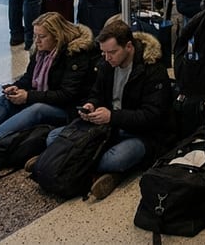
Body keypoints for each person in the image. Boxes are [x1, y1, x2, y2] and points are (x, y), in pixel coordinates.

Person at [0, 12, 97, 172]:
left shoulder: (75, 55)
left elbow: (67, 95)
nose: (37, 41)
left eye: (42, 36)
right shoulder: (40, 52)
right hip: (44, 97)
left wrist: (28, 96)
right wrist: (16, 87)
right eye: (35, 35)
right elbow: (29, 78)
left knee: (37, 110)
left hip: (68, 109)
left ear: (57, 36)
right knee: (5, 99)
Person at [54, 21, 173, 200]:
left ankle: (64, 164)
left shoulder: (153, 69)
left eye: (112, 52)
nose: (107, 57)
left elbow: (152, 116)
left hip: (143, 134)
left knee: (116, 159)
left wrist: (112, 116)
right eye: (103, 52)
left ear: (129, 47)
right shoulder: (106, 64)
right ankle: (80, 167)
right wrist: (91, 105)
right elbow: (96, 94)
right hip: (110, 126)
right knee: (53, 137)